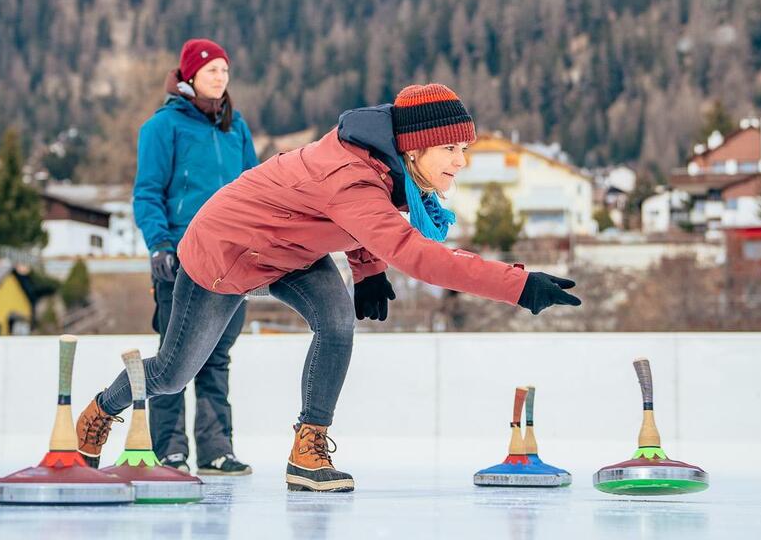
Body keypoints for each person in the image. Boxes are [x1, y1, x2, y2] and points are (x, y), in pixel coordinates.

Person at [76, 84, 580, 492]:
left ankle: (307, 449)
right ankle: (101, 410)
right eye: (451, 148)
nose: (460, 161)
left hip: (292, 250)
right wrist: (518, 285)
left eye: (464, 148)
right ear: (416, 145)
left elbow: (363, 221)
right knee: (172, 373)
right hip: (226, 250)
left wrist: (367, 270)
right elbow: (415, 253)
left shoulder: (384, 166)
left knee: (337, 324)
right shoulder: (352, 175)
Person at [122, 39, 257, 476]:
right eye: (212, 69)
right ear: (189, 75)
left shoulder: (235, 129)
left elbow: (256, 191)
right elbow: (147, 193)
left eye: (225, 70)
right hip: (180, 258)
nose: (220, 77)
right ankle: (169, 449)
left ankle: (217, 450)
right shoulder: (162, 127)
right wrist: (159, 244)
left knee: (217, 356)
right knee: (174, 357)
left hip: (231, 261)